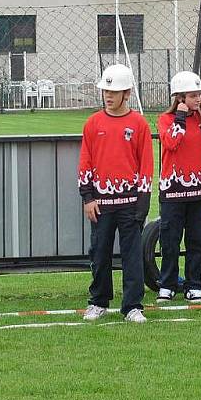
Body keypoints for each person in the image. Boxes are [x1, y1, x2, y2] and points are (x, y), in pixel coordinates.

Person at [78, 64, 153, 324]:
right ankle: (98, 301)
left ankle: (132, 305)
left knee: (133, 256)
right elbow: (85, 161)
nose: (108, 96)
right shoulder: (93, 123)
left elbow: (146, 164)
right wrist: (87, 197)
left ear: (127, 93)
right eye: (105, 91)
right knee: (99, 253)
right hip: (100, 203)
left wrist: (143, 202)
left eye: (114, 91)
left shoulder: (139, 124)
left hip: (130, 202)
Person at [157, 70, 201, 303]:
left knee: (196, 238)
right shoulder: (166, 119)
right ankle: (167, 284)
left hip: (199, 189)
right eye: (193, 95)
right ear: (180, 98)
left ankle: (194, 284)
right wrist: (181, 117)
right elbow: (172, 141)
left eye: (199, 94)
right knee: (170, 238)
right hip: (173, 189)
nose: (198, 99)